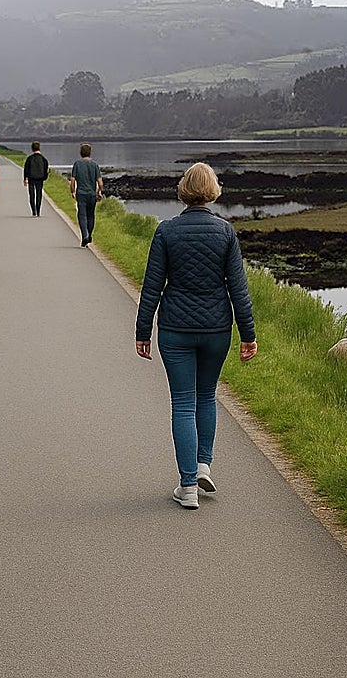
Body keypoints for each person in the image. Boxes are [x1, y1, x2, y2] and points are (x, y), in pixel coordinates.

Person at [134, 162, 257, 510]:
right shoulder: (226, 232)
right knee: (207, 396)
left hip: (175, 330)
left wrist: (143, 330)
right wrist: (248, 334)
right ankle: (204, 464)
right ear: (214, 190)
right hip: (217, 329)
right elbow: (239, 289)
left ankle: (188, 486)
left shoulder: (166, 231)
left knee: (183, 403)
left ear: (184, 189)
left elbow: (152, 287)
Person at [69, 142, 103, 247]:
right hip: (92, 194)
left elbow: (73, 180)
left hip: (81, 193)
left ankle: (85, 235)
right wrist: (99, 192)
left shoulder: (77, 164)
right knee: (91, 215)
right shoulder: (94, 165)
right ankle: (90, 234)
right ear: (90, 153)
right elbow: (100, 182)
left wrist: (72, 191)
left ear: (81, 153)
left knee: (82, 215)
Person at [22, 140, 50, 217]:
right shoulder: (44, 159)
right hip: (40, 178)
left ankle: (33, 210)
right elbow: (46, 169)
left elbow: (26, 169)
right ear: (39, 148)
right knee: (39, 194)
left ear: (32, 149)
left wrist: (25, 178)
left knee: (31, 195)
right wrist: (45, 177)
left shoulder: (29, 158)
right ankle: (38, 210)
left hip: (31, 178)